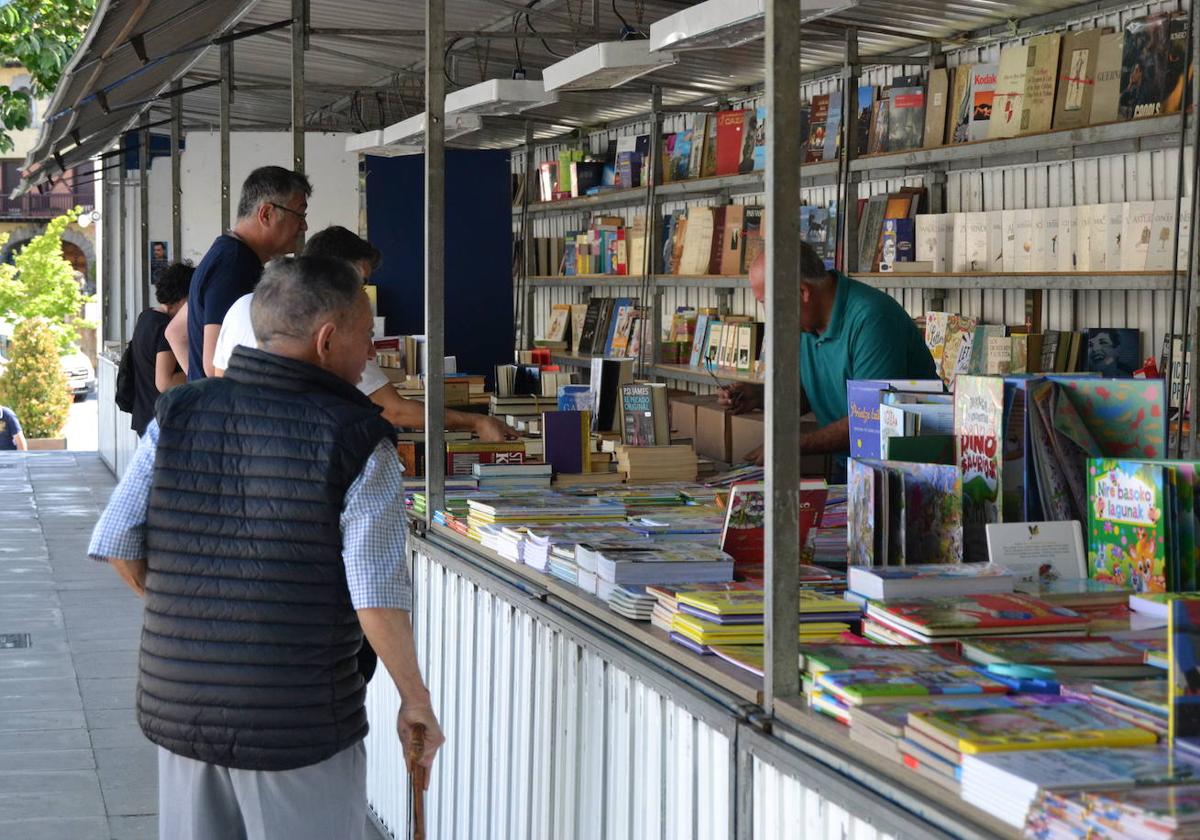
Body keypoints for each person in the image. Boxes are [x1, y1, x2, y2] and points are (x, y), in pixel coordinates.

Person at [87, 256, 442, 839]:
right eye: (367, 337)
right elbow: (374, 595)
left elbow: (119, 540)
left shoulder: (179, 412)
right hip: (296, 720)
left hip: (181, 707)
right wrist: (415, 700)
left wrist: (190, 616)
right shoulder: (356, 440)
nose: (370, 355)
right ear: (329, 340)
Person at [213, 225, 518, 440]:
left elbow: (216, 374)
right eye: (357, 280)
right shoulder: (338, 321)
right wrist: (475, 420)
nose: (361, 292)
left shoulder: (244, 305)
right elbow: (393, 411)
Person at [720, 241, 937, 466]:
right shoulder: (805, 323)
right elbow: (814, 393)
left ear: (802, 292)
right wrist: (759, 396)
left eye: (766, 303)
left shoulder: (872, 320)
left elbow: (871, 420)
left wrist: (793, 446)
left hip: (910, 475)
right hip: (857, 469)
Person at [164, 166, 311, 380]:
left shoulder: (225, 254)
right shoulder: (234, 266)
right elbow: (216, 366)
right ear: (267, 213)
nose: (304, 226)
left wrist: (197, 387)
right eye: (300, 214)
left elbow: (175, 333)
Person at [128, 262, 192, 436]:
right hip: (162, 419)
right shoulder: (165, 326)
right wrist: (200, 371)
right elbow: (165, 382)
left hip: (145, 416)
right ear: (182, 298)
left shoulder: (146, 317)